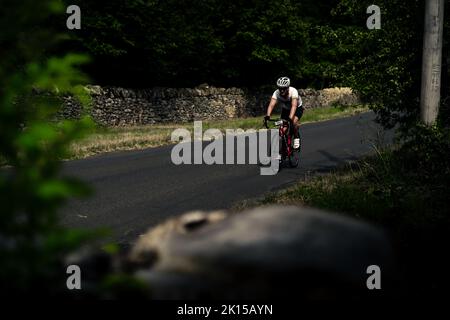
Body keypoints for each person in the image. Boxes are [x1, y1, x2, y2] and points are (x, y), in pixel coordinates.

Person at [264, 76, 303, 149]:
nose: (282, 90)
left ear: (288, 87)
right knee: (283, 128)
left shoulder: (293, 91)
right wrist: (268, 116)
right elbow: (271, 105)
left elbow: (294, 106)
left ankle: (296, 137)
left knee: (293, 122)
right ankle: (283, 148)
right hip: (285, 109)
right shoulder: (276, 93)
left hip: (297, 108)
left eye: (284, 88)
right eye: (280, 88)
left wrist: (290, 118)